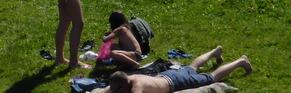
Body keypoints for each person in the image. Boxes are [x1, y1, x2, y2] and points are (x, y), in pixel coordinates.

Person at [101, 45, 252, 92]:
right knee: (192, 67)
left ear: (124, 85)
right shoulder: (126, 79)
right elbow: (107, 90)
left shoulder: (137, 85)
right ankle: (215, 52)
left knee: (211, 78)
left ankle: (240, 61)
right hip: (169, 74)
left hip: (177, 82)